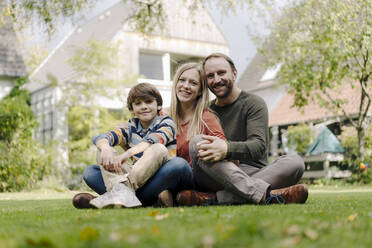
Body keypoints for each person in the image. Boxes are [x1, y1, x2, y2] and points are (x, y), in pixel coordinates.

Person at [176, 53, 308, 206]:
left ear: (234, 73)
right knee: (198, 143)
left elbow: (258, 146)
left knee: (295, 162)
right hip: (217, 175)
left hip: (254, 172)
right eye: (210, 76)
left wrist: (226, 149)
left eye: (221, 73)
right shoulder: (205, 111)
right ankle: (265, 195)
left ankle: (213, 199)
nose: (217, 79)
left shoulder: (253, 103)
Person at [73, 83, 193, 208]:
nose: (144, 106)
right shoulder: (131, 127)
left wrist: (128, 153)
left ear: (158, 105)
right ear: (131, 109)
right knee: (91, 171)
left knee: (166, 154)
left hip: (161, 177)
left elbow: (152, 141)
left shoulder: (166, 122)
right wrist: (105, 148)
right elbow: (102, 137)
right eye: (138, 103)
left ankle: (118, 194)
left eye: (148, 102)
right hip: (140, 182)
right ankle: (128, 195)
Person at [168, 62, 227, 194]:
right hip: (167, 176)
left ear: (200, 90)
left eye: (193, 83)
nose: (186, 86)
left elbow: (222, 148)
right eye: (182, 80)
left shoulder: (206, 118)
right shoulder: (163, 116)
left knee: (179, 165)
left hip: (195, 181)